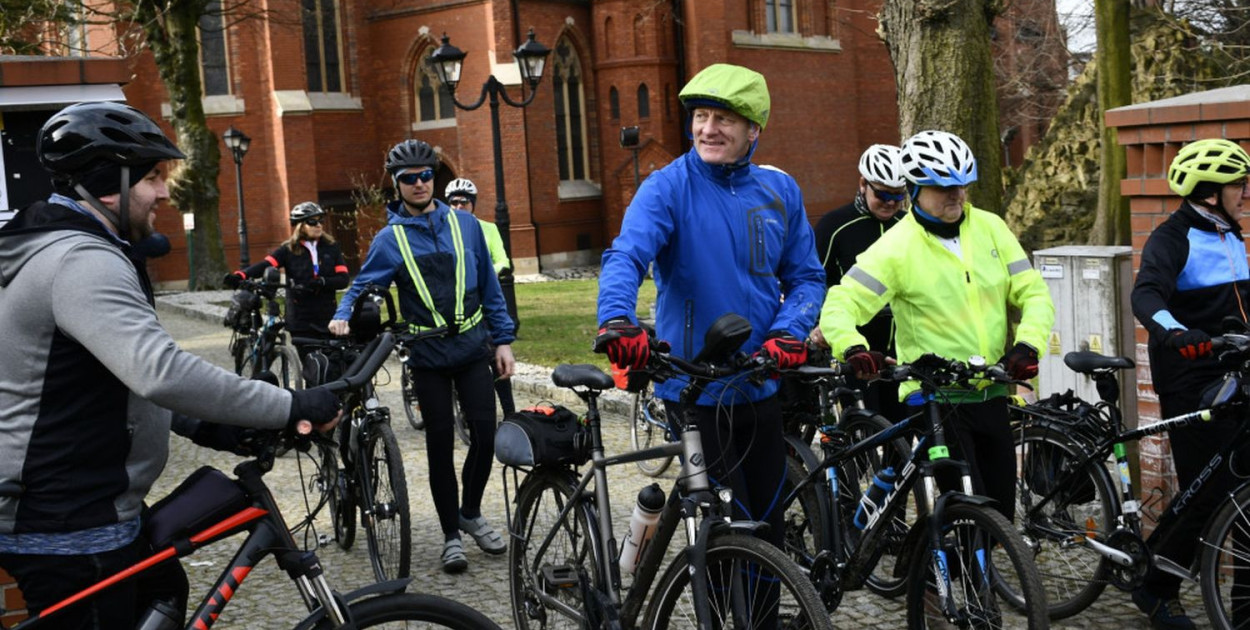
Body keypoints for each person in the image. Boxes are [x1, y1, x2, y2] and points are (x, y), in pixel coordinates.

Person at [0, 101, 342, 629]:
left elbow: (112, 377)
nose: (164, 192)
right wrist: (289, 404)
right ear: (107, 183)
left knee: (164, 592)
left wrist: (211, 423)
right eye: (153, 177)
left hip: (92, 510)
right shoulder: (80, 262)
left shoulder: (65, 246)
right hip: (69, 526)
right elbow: (159, 371)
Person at [595, 63, 827, 551]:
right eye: (701, 116)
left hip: (758, 383)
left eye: (723, 119)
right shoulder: (667, 187)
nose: (708, 129)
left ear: (753, 130)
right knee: (727, 527)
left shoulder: (779, 191)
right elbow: (627, 254)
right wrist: (618, 317)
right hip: (694, 387)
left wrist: (789, 331)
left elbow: (805, 277)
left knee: (768, 527)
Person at [819, 129, 1054, 523]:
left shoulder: (991, 228)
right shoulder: (897, 246)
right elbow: (842, 302)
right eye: (942, 187)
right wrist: (853, 348)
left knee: (998, 513)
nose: (956, 195)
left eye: (962, 185)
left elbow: (1033, 293)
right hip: (936, 397)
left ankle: (954, 570)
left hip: (990, 388)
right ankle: (937, 576)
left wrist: (1028, 345)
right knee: (963, 511)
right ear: (914, 189)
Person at [329, 139, 516, 573]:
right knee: (439, 446)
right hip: (428, 354)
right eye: (409, 178)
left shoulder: (465, 226)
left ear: (436, 178)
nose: (419, 184)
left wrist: (503, 340)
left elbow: (490, 285)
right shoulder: (389, 239)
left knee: (485, 436)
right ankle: (451, 534)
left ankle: (470, 512)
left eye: (426, 175)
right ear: (396, 185)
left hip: (472, 348)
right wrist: (342, 314)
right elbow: (360, 285)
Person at [1130, 137, 1250, 630]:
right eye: (1236, 184)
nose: (1244, 191)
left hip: (1236, 372)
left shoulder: (1230, 234)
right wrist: (1177, 331)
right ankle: (1156, 588)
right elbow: (1146, 296)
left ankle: (1244, 605)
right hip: (1191, 378)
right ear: (1207, 192)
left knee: (1243, 486)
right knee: (1212, 487)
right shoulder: (1171, 238)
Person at [811, 144, 908, 423]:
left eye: (898, 195)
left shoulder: (908, 225)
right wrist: (820, 323)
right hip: (855, 348)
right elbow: (817, 280)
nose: (891, 202)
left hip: (900, 349)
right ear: (863, 184)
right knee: (859, 429)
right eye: (883, 193)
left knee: (899, 431)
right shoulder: (835, 224)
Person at [224, 201, 350, 357]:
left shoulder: (332, 248)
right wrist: (241, 275)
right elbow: (266, 264)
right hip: (300, 319)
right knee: (311, 365)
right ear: (300, 226)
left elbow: (343, 279)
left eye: (320, 221)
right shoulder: (288, 250)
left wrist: (322, 282)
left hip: (327, 316)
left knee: (330, 363)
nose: (319, 225)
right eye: (313, 221)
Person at [445, 177, 516, 417]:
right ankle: (466, 410)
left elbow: (502, 260)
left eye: (464, 202)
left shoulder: (487, 228)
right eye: (453, 203)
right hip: (458, 305)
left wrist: (485, 274)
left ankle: (509, 412)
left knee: (496, 357)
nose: (459, 207)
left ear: (473, 204)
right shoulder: (444, 231)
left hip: (485, 301)